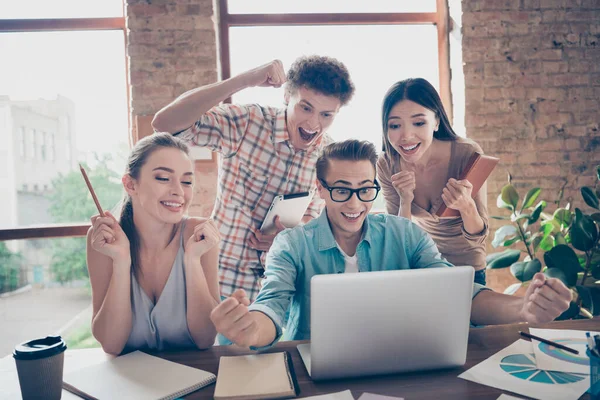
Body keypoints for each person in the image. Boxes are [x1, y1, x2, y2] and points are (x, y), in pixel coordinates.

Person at [209, 140, 572, 349]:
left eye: (366, 190)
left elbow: (458, 292)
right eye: (341, 190)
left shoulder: (404, 234)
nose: (355, 204)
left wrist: (522, 308)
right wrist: (249, 329)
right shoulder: (291, 244)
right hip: (314, 367)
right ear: (320, 189)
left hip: (398, 360)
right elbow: (271, 305)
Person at [152, 56, 355, 300]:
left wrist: (293, 237)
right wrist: (245, 80)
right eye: (306, 107)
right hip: (221, 282)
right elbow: (165, 124)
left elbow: (314, 222)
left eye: (326, 115)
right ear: (287, 98)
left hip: (282, 288)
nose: (314, 123)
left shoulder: (328, 157)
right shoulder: (248, 123)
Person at [87, 133, 220, 355]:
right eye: (163, 178)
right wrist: (121, 262)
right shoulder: (104, 240)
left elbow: (205, 338)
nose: (179, 191)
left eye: (186, 181)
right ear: (130, 184)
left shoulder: (200, 236)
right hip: (130, 385)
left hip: (194, 378)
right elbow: (111, 344)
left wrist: (192, 260)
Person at [377, 78, 490, 285]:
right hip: (425, 266)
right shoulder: (387, 164)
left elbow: (479, 237)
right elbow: (397, 239)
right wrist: (405, 201)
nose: (406, 136)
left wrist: (466, 207)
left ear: (436, 122)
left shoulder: (466, 154)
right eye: (395, 125)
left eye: (419, 123)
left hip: (468, 268)